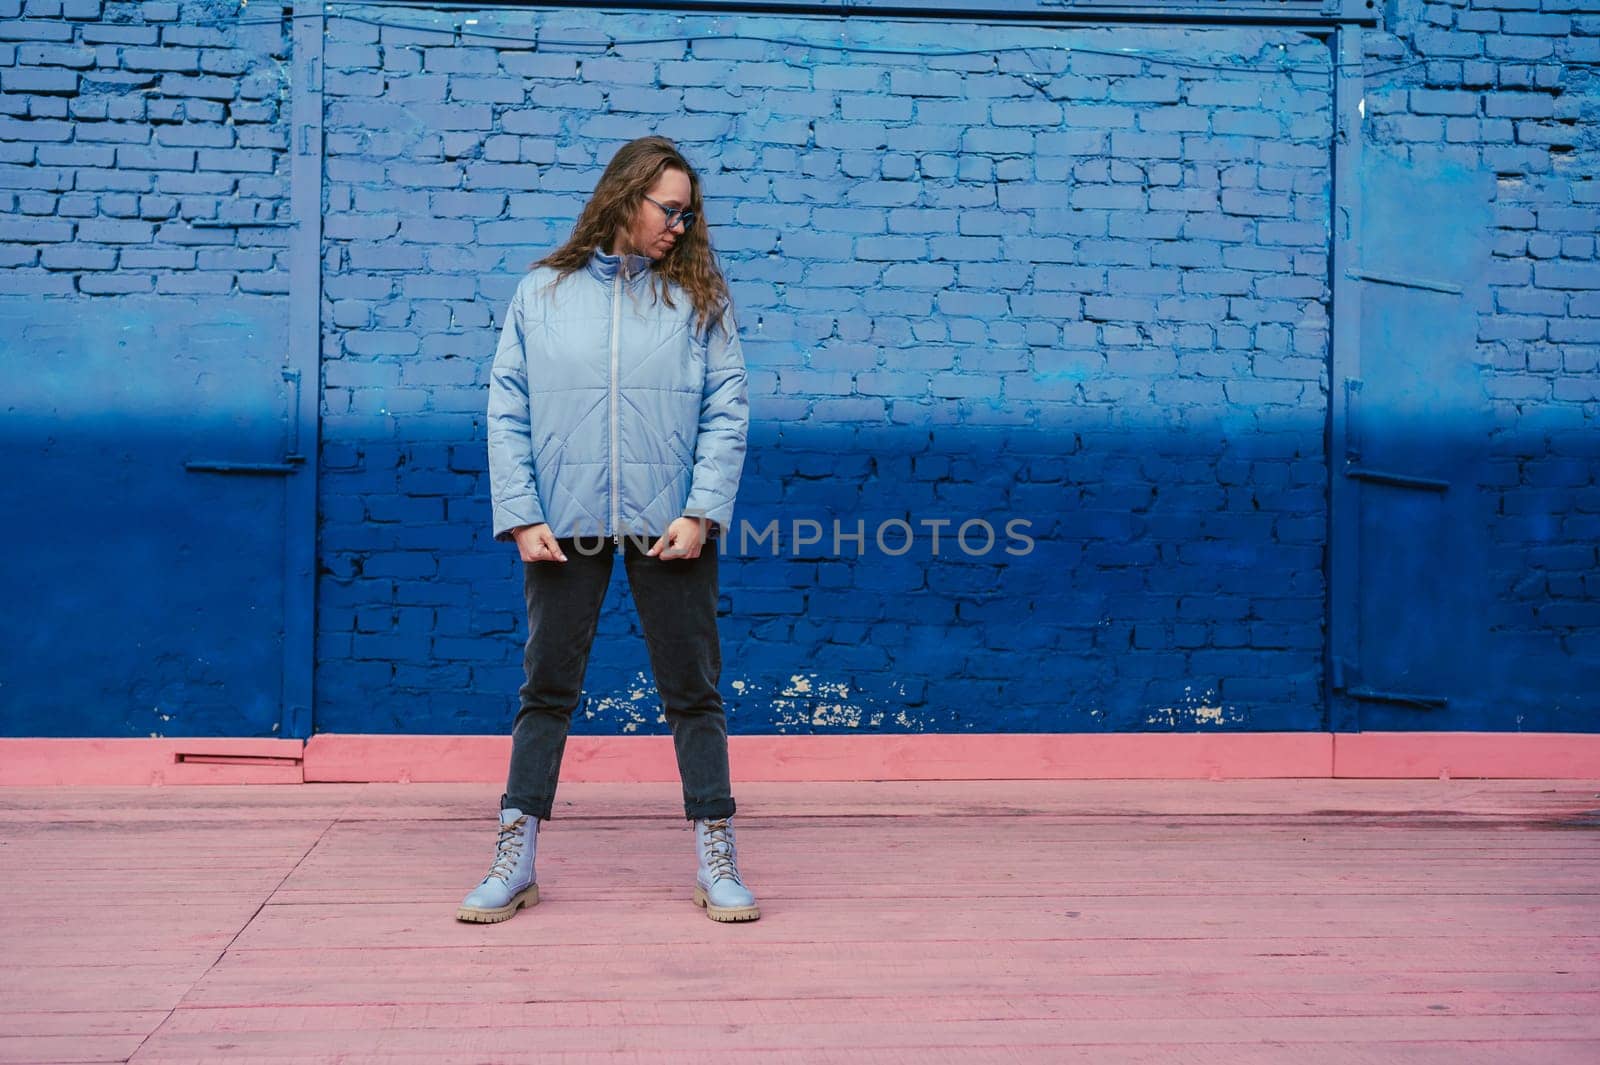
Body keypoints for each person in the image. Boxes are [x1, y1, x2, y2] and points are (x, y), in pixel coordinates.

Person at [456, 136, 757, 925]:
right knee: (545, 690)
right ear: (626, 198)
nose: (681, 227)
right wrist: (521, 514)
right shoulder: (543, 293)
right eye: (670, 210)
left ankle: (717, 853)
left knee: (693, 691)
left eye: (690, 214)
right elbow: (506, 406)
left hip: (672, 525)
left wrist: (700, 512)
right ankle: (514, 854)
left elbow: (728, 412)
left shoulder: (699, 299)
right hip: (564, 522)